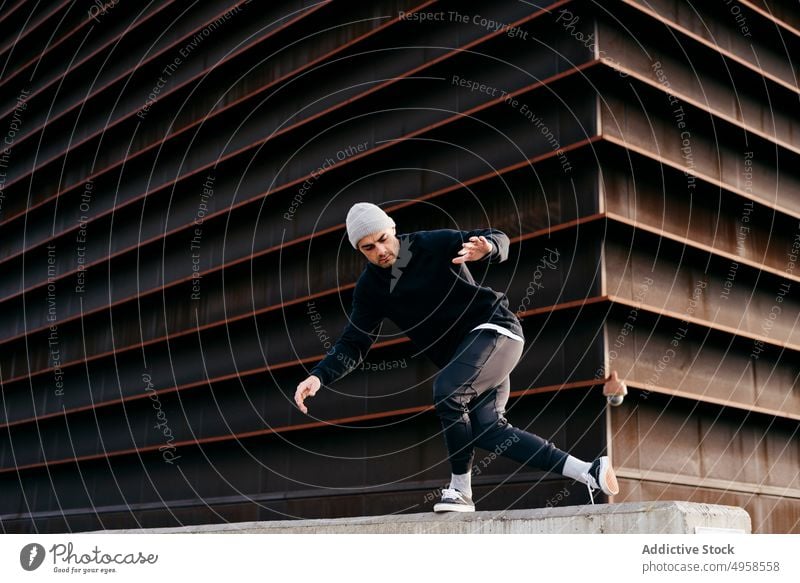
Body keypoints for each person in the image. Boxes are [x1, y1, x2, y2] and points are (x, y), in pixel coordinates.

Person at [294, 202, 619, 512]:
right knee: (490, 430)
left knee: (448, 392)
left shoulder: (429, 244)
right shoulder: (370, 289)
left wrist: (488, 249)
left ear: (392, 228)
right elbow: (354, 342)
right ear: (359, 250)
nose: (380, 251)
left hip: (496, 331)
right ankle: (587, 471)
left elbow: (498, 238)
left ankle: (461, 489)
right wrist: (319, 376)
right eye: (368, 248)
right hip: (470, 360)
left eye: (382, 239)